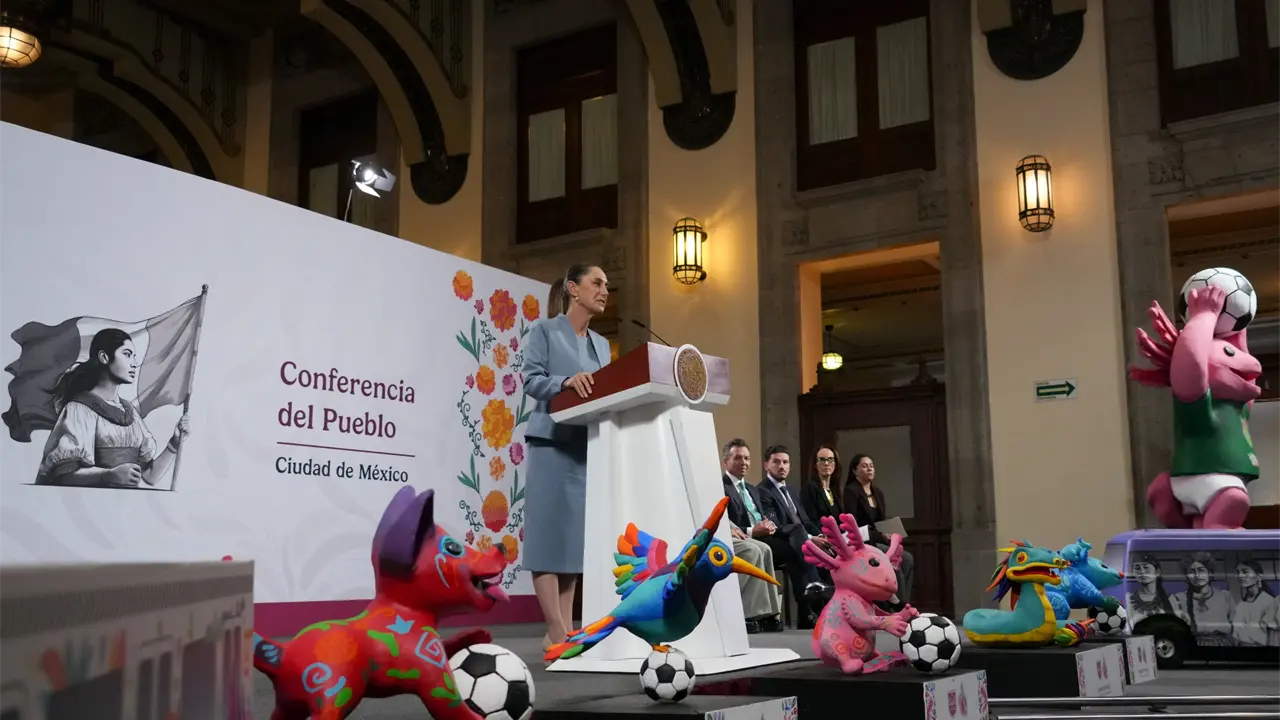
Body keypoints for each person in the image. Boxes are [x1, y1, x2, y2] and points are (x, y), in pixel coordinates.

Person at [519, 263, 613, 652]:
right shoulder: (544, 330)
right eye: (597, 283)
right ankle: (557, 631)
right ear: (573, 288)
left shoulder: (603, 345)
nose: (605, 290)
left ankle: (563, 628)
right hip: (550, 444)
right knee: (547, 540)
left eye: (607, 285)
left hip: (584, 448)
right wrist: (565, 382)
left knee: (573, 544)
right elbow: (530, 379)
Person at [37, 328, 190, 488]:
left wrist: (174, 443)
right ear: (104, 357)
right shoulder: (79, 409)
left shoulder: (129, 411)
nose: (134, 363)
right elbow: (63, 477)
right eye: (127, 354)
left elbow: (149, 476)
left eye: (134, 356)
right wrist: (108, 475)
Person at [753, 444, 834, 629]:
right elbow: (776, 526)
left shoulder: (792, 491)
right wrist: (810, 539)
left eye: (785, 462)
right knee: (800, 550)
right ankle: (815, 605)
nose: (782, 466)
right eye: (776, 462)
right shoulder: (762, 491)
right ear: (766, 465)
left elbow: (805, 520)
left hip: (799, 542)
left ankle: (818, 608)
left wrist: (819, 535)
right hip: (777, 541)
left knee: (826, 551)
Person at [718, 439, 783, 633]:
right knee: (753, 549)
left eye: (747, 458)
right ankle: (747, 613)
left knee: (765, 549)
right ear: (725, 462)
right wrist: (751, 531)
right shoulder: (721, 486)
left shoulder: (753, 490)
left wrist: (768, 524)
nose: (744, 462)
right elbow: (725, 520)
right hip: (733, 537)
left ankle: (769, 612)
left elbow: (759, 516)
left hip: (756, 536)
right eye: (738, 458)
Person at [843, 453, 915, 608]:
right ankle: (898, 606)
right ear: (854, 471)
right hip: (863, 542)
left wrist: (892, 533)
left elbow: (881, 521)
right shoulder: (851, 491)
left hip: (879, 540)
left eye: (871, 465)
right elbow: (853, 524)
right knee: (893, 560)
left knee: (907, 558)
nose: (869, 468)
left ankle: (905, 603)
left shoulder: (878, 493)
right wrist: (880, 535)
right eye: (864, 466)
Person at [1170, 551, 1235, 646]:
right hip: (1191, 645)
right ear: (1186, 577)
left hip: (1223, 646)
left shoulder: (1225, 596)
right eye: (1192, 572)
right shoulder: (1177, 599)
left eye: (1201, 570)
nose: (1197, 575)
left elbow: (1236, 627)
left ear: (1210, 573)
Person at [1229, 558, 1280, 647]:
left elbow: (1273, 636)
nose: (1240, 576)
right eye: (1238, 572)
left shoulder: (1269, 601)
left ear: (1259, 576)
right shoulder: (1241, 604)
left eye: (1245, 572)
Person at [801, 444, 844, 524]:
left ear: (835, 464)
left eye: (830, 459)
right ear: (815, 465)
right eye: (822, 459)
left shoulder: (835, 489)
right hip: (821, 535)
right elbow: (810, 520)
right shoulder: (809, 488)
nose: (826, 463)